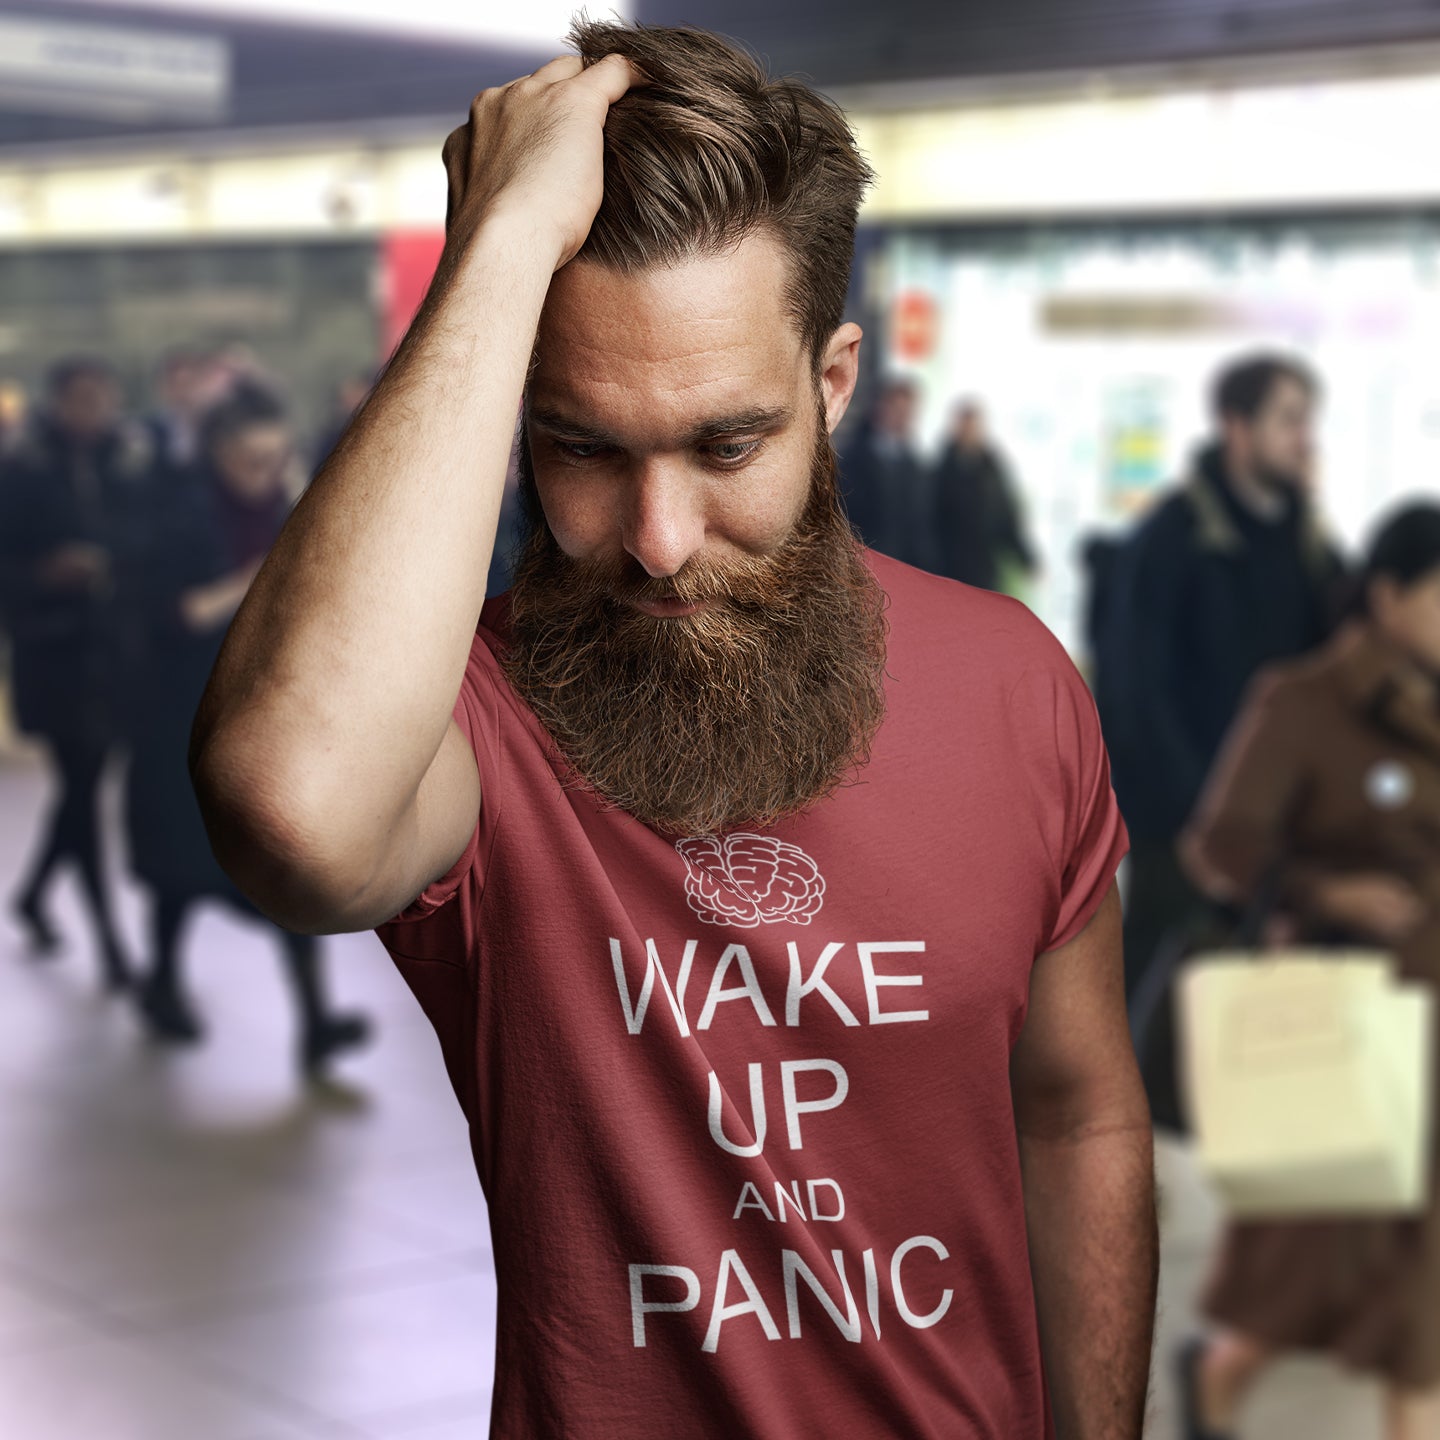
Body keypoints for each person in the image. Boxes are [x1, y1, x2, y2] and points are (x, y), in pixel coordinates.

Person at [189, 23, 1155, 1437]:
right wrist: (501, 247)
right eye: (581, 446)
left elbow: (1079, 1114)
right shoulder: (478, 715)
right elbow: (291, 809)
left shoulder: (1011, 679)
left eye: (724, 447)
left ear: (831, 390)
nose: (654, 542)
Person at [1176, 500, 1440, 1440]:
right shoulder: (1304, 699)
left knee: (1419, 1304)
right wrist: (1332, 894)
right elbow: (1221, 848)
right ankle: (1216, 1379)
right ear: (1390, 593)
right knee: (1299, 1272)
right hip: (1343, 1030)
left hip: (1431, 1029)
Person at [124, 384, 371, 1076]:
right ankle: (163, 983)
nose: (263, 472)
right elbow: (169, 616)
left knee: (286, 868)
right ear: (216, 452)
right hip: (181, 714)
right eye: (250, 460)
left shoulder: (282, 506)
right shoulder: (178, 516)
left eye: (275, 457)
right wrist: (259, 578)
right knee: (179, 873)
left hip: (261, 715)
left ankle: (316, 1021)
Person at [1099, 353, 1346, 1003]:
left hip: (1270, 826)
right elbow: (1136, 692)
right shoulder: (1172, 539)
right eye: (1288, 420)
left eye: (1307, 421)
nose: (1304, 438)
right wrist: (1195, 812)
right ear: (1237, 425)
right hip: (1181, 827)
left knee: (1251, 1007)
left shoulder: (1306, 541)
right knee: (1162, 993)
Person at [0, 356, 148, 989]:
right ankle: (110, 940)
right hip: (55, 655)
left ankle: (33, 893)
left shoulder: (131, 463)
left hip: (117, 652)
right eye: (81, 399)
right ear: (58, 402)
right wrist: (42, 576)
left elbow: (152, 540)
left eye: (102, 397)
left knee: (85, 786)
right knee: (83, 793)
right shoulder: (21, 470)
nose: (94, 411)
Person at [930, 399, 1038, 591]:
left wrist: (1025, 558)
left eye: (973, 427)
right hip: (947, 569)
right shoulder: (940, 472)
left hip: (984, 569)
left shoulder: (992, 471)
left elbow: (1006, 518)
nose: (969, 432)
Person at [838, 374, 931, 569]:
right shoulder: (854, 458)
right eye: (898, 409)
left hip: (906, 569)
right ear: (881, 409)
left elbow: (919, 524)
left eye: (907, 411)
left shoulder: (915, 465)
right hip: (865, 567)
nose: (903, 417)